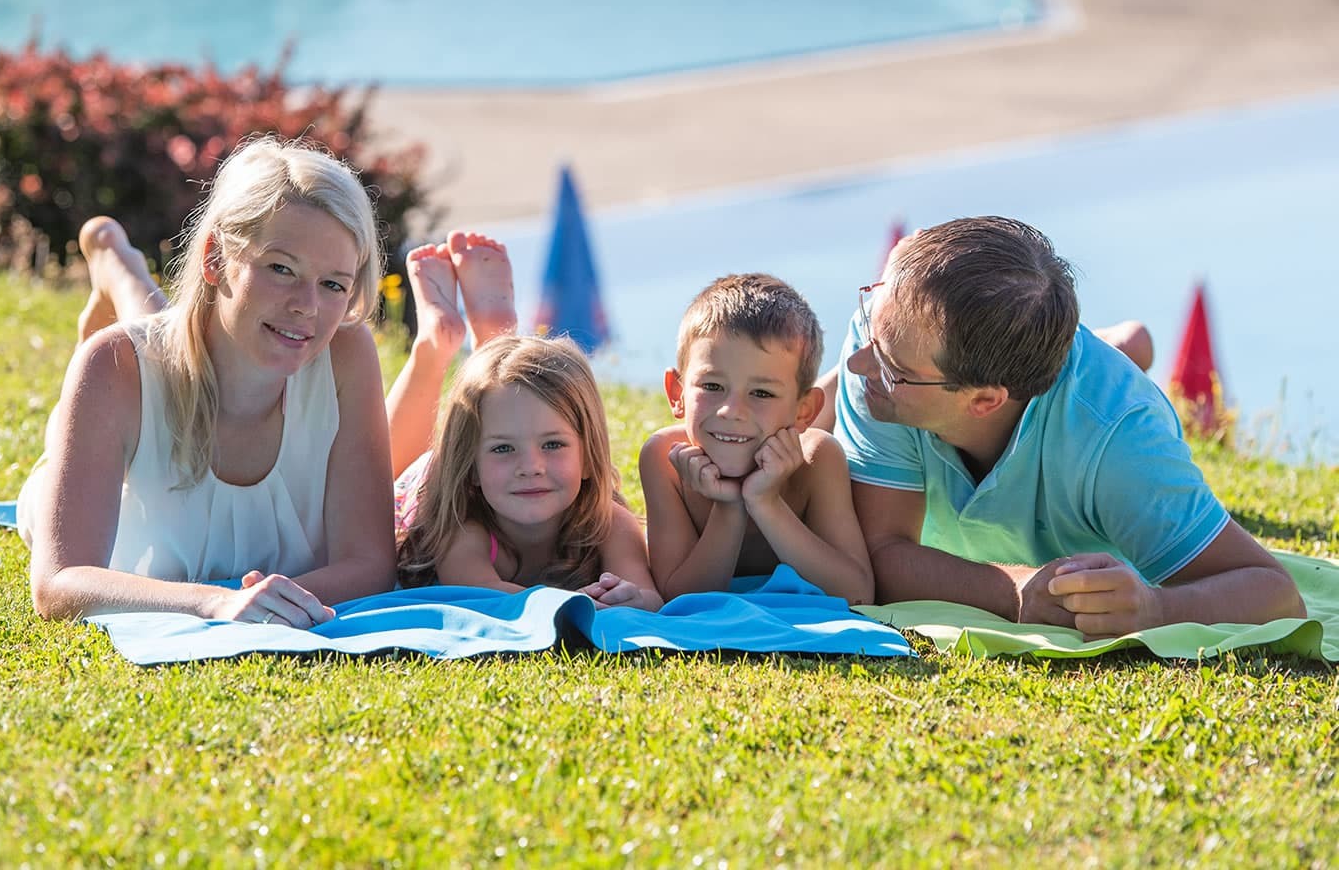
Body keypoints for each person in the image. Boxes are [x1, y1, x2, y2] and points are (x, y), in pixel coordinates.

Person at [814, 216, 1304, 636]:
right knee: (805, 423)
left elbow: (1275, 593)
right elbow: (878, 555)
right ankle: (1116, 344)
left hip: (1089, 414)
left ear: (984, 400)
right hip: (1022, 384)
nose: (860, 364)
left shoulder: (1121, 441)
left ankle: (1117, 349)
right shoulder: (888, 337)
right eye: (869, 329)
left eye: (892, 368)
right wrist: (1016, 594)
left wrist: (1158, 608)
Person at [19, 137, 397, 627]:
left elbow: (371, 564)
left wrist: (273, 598)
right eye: (281, 268)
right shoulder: (113, 367)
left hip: (195, 340)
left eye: (333, 284)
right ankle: (116, 260)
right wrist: (215, 602)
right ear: (215, 257)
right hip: (130, 384)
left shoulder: (346, 353)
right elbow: (58, 583)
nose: (308, 306)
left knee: (173, 329)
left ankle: (122, 271)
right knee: (147, 346)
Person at [640, 274, 873, 604]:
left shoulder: (817, 460)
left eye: (761, 393)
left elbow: (857, 594)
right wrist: (729, 508)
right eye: (712, 387)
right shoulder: (665, 460)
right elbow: (679, 599)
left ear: (804, 410)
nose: (731, 411)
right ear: (677, 393)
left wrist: (766, 502)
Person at [396, 334, 664, 611]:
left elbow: (649, 597)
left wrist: (631, 598)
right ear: (470, 465)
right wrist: (574, 602)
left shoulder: (610, 523)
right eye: (503, 448)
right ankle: (437, 336)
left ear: (588, 457)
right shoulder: (461, 527)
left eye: (552, 444)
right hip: (413, 491)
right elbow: (479, 594)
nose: (531, 467)